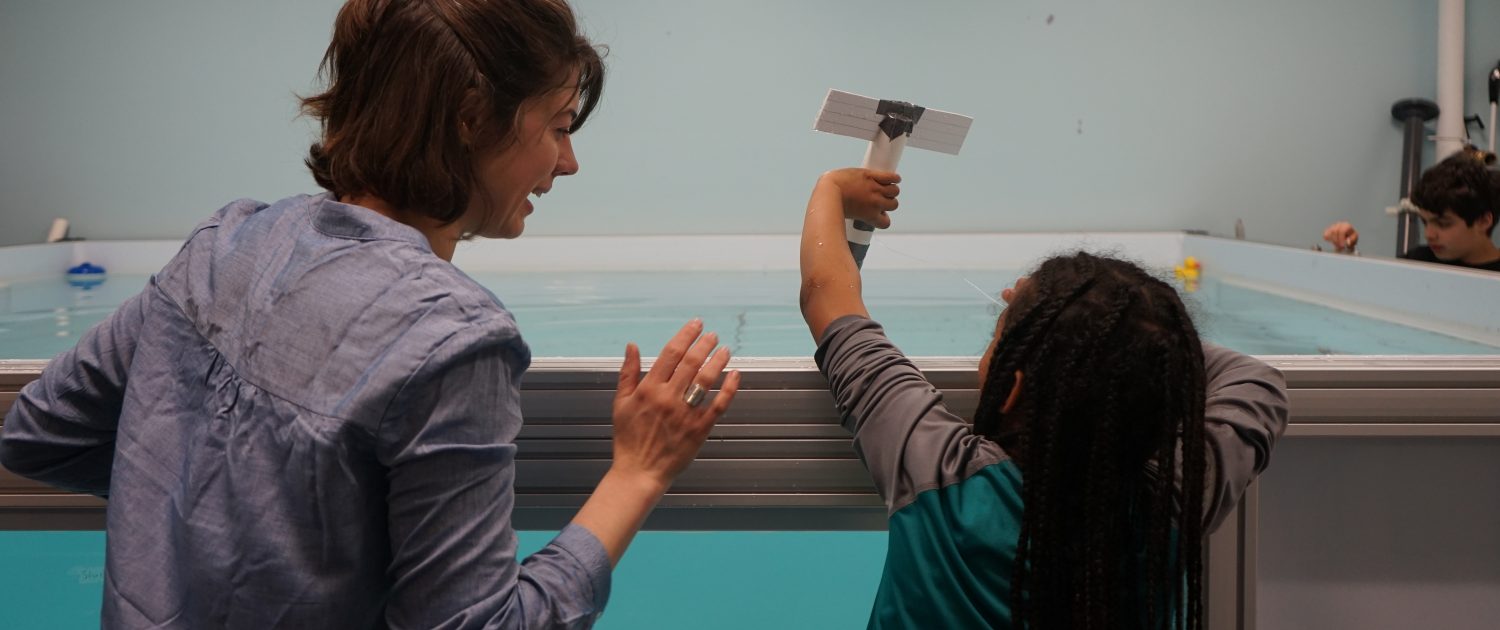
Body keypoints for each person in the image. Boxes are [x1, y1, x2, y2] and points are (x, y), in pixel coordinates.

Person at [0, 1, 740, 627]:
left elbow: (36, 432)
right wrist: (638, 474)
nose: (569, 161)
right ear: (471, 118)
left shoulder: (224, 245)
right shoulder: (455, 341)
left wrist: (209, 512)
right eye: (558, 124)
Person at [798, 169, 1289, 629]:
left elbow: (827, 293)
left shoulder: (941, 473)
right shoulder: (1176, 501)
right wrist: (1123, 341)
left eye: (1001, 335)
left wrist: (832, 187)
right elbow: (1254, 378)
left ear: (1011, 390)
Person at [1323, 148, 1500, 272]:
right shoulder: (1420, 261)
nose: (1429, 234)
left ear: (1483, 221)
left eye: (1443, 224)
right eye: (1425, 221)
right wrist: (1345, 252)